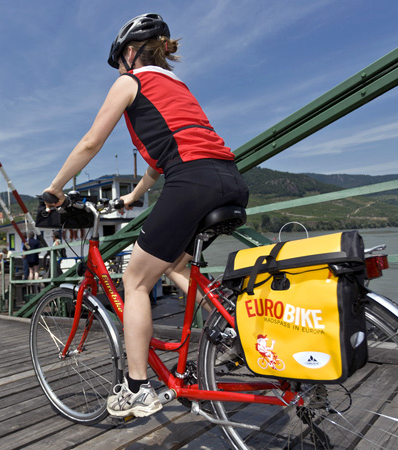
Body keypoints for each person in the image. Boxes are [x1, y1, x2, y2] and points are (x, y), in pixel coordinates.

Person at [43, 13, 249, 418]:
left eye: (121, 59)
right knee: (175, 262)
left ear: (131, 53)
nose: (120, 67)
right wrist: (135, 195)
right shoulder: (177, 85)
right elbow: (168, 148)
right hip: (229, 178)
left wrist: (55, 188)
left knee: (134, 279)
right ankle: (234, 333)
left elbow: (90, 142)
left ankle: (137, 387)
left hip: (190, 180)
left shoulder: (130, 81)